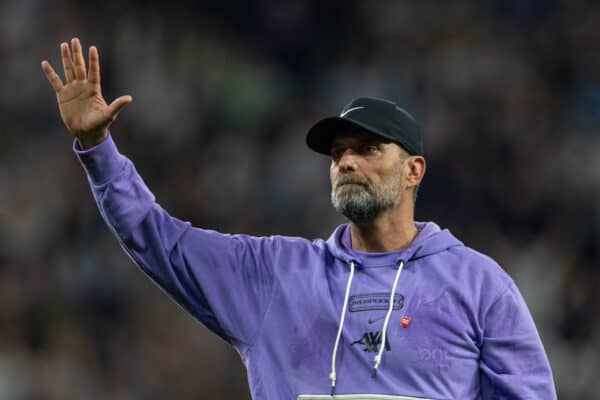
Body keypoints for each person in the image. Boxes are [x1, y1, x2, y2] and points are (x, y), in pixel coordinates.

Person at [42, 38, 557, 400]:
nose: (346, 163)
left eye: (368, 149)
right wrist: (97, 146)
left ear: (413, 170)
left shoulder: (479, 286)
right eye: (337, 155)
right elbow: (158, 240)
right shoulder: (275, 275)